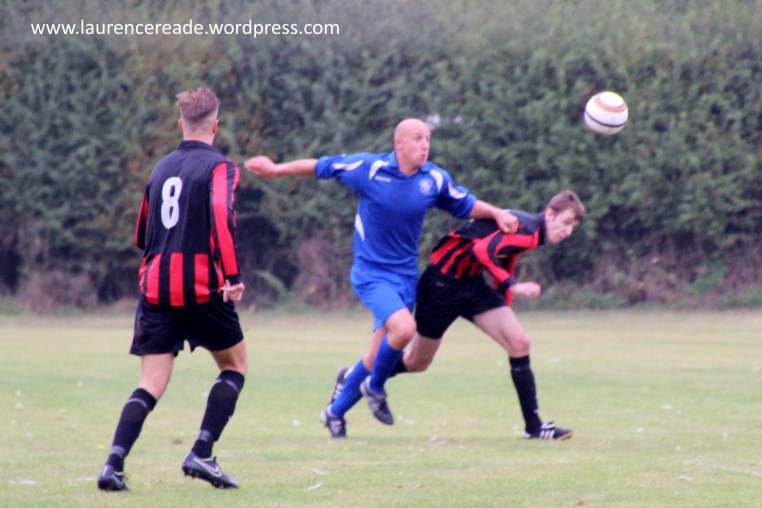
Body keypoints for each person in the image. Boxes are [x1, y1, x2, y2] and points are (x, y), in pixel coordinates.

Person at [245, 119, 518, 438]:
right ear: (398, 143)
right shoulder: (370, 169)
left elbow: (466, 204)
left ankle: (333, 413)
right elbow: (322, 166)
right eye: (417, 138)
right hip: (371, 274)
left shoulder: (433, 179)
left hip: (405, 277)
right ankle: (374, 388)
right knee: (405, 330)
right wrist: (276, 169)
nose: (425, 145)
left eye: (428, 139)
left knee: (376, 356)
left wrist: (497, 212)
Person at [97, 87, 248, 491]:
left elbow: (142, 233)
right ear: (216, 125)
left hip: (155, 290)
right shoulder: (221, 167)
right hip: (200, 288)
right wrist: (232, 276)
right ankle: (202, 452)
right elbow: (221, 215)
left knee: (150, 383)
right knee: (235, 366)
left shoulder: (160, 168)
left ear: (180, 124)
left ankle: (113, 465)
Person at [383, 190, 585, 440]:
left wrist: (504, 303)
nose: (568, 231)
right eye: (566, 222)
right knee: (417, 362)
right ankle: (358, 375)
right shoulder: (527, 231)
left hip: (472, 283)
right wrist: (512, 285)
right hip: (441, 284)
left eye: (573, 226)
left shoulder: (530, 232)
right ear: (550, 213)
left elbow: (505, 257)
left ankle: (534, 427)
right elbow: (480, 251)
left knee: (519, 342)